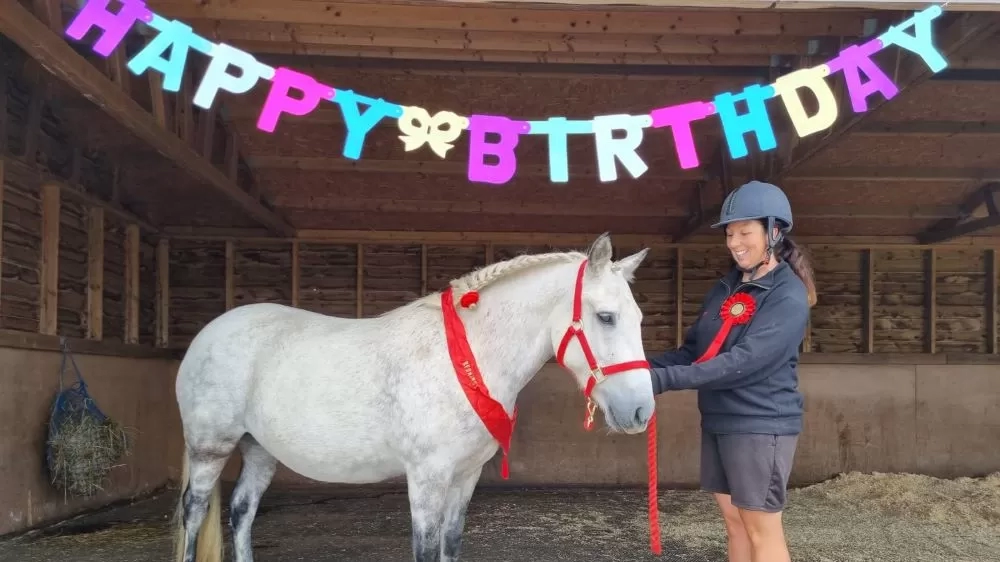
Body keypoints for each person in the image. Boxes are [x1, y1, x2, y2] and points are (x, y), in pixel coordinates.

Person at [650, 180, 816, 562]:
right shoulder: (726, 287)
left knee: (762, 531)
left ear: (773, 233)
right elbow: (694, 351)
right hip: (719, 419)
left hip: (760, 423)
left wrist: (660, 381)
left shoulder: (786, 295)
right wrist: (637, 368)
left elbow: (744, 362)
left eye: (745, 232)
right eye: (729, 233)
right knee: (735, 523)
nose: (735, 242)